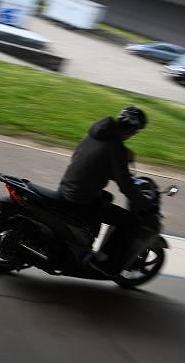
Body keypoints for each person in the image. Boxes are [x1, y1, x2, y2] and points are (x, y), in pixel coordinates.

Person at [58, 106, 152, 276]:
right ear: (132, 130)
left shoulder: (96, 132)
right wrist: (145, 204)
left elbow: (94, 161)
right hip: (80, 198)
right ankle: (104, 262)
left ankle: (87, 239)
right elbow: (125, 185)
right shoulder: (116, 148)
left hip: (67, 186)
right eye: (136, 131)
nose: (135, 134)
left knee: (107, 197)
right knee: (128, 221)